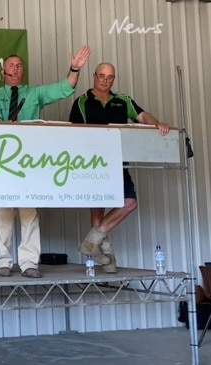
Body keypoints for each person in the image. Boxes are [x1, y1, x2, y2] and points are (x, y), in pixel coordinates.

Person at [0, 45, 91, 278]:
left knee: (29, 213)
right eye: (11, 65)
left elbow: (65, 88)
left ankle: (29, 263)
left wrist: (74, 68)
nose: (15, 68)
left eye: (19, 65)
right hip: (2, 161)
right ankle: (3, 261)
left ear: (24, 71)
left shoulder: (35, 93)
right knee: (3, 213)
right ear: (2, 72)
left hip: (29, 163)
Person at [68, 62, 170, 273]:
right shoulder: (82, 102)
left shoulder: (122, 100)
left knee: (129, 202)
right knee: (98, 208)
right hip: (92, 163)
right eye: (101, 76)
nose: (105, 80)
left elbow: (143, 116)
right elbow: (74, 133)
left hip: (118, 161)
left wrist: (156, 123)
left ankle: (91, 242)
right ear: (94, 76)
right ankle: (108, 258)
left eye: (109, 77)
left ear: (113, 79)